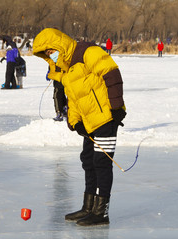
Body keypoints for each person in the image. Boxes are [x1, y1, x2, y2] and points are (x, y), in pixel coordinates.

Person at [33, 28, 126, 226]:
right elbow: (73, 100)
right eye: (47, 55)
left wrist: (117, 107)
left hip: (106, 118)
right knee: (88, 160)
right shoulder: (67, 71)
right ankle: (89, 206)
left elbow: (112, 74)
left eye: (52, 51)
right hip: (90, 122)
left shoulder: (88, 52)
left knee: (101, 162)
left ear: (59, 44)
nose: (51, 56)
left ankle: (101, 213)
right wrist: (75, 122)